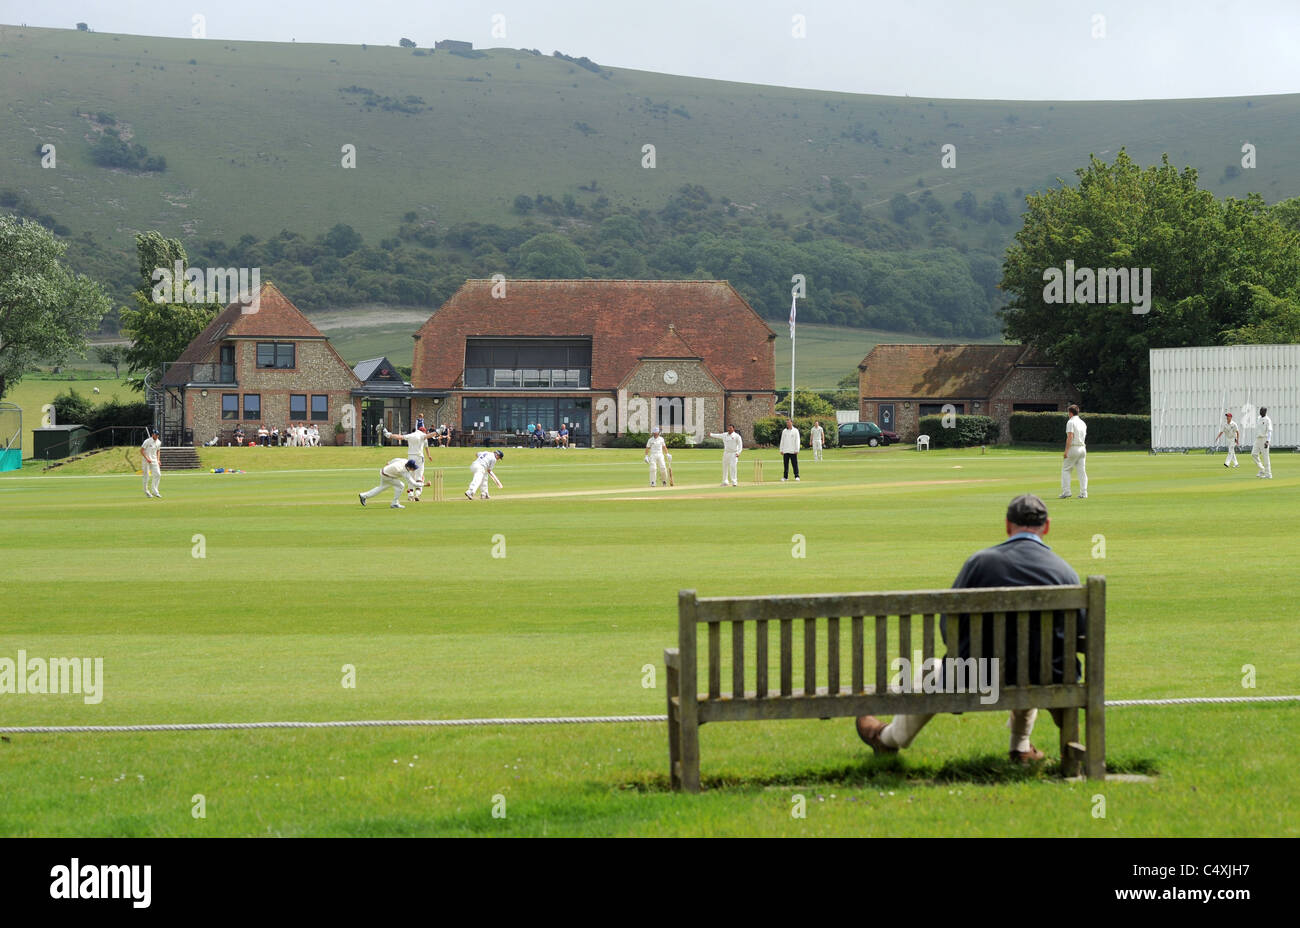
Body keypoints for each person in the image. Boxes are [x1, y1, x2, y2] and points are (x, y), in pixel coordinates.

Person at [856, 493, 1085, 764]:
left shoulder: (980, 563)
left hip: (978, 675)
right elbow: (1078, 636)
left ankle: (888, 738)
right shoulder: (1065, 573)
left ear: (1007, 525)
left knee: (932, 671)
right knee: (1029, 661)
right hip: (1050, 675)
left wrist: (961, 653)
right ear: (1046, 527)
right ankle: (1021, 748)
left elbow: (948, 625)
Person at [384, 424, 433, 500]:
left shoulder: (411, 435)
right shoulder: (423, 436)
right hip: (419, 457)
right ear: (424, 431)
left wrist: (389, 435)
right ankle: (417, 494)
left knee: (411, 476)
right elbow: (427, 445)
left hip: (411, 457)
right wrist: (429, 456)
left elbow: (399, 437)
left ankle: (410, 495)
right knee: (419, 476)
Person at [1060, 404, 1087, 499]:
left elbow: (1070, 436)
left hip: (1074, 448)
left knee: (1066, 469)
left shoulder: (1070, 422)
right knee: (1082, 472)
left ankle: (1066, 492)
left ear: (1070, 413)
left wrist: (1066, 451)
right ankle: (1084, 493)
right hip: (1082, 448)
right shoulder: (1083, 423)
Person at [141, 428, 162, 499]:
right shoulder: (147, 441)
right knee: (146, 476)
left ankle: (155, 490)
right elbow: (141, 450)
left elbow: (158, 451)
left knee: (158, 474)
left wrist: (158, 460)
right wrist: (147, 458)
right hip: (146, 460)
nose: (157, 436)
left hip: (154, 460)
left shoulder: (159, 442)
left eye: (157, 435)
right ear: (152, 434)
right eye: (155, 435)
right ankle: (146, 491)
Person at [1252, 406, 1273, 479]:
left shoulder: (1268, 420)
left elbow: (1270, 431)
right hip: (1258, 439)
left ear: (1265, 412)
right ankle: (1262, 469)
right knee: (1254, 454)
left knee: (1265, 457)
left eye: (1262, 411)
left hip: (1264, 439)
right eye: (1260, 410)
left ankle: (1268, 474)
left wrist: (1268, 441)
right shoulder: (1258, 418)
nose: (1260, 412)